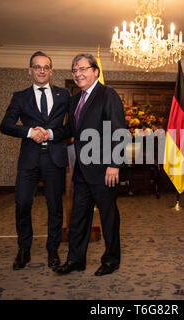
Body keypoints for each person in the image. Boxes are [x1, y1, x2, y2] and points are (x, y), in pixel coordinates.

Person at [54, 53, 126, 276]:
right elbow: (71, 131)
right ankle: (76, 260)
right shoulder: (75, 100)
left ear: (96, 71)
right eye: (74, 71)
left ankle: (111, 260)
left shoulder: (108, 95)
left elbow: (118, 131)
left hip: (105, 170)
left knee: (108, 217)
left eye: (83, 69)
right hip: (81, 171)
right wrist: (48, 133)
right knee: (78, 217)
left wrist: (114, 164)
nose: (78, 74)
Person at [0, 51, 71, 270]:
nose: (41, 70)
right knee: (22, 203)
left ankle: (52, 251)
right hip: (29, 159)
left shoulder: (64, 95)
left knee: (54, 206)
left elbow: (71, 126)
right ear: (30, 70)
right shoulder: (19, 97)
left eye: (46, 67)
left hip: (54, 158)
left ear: (51, 71)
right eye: (37, 66)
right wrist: (30, 132)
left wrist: (50, 134)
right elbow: (6, 125)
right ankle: (24, 250)